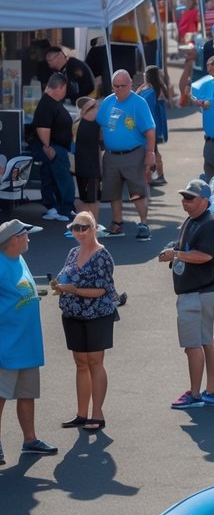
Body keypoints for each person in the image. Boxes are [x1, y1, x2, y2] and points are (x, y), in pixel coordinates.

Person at [158, 179, 214, 410]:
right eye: (184, 197)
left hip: (196, 293)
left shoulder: (209, 224)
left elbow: (205, 255)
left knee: (192, 346)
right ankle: (211, 391)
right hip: (202, 292)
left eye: (190, 198)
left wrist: (176, 254)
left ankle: (195, 395)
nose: (184, 201)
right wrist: (175, 251)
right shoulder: (194, 220)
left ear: (205, 201)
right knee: (206, 341)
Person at [51, 211, 120, 432]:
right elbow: (65, 276)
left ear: (94, 229)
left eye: (84, 227)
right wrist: (59, 286)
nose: (79, 232)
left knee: (95, 362)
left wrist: (75, 289)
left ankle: (97, 414)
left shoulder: (103, 255)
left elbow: (102, 289)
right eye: (75, 228)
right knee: (81, 363)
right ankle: (82, 414)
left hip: (97, 316)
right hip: (73, 316)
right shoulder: (72, 252)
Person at [0, 218, 57, 464]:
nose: (29, 238)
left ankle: (30, 440)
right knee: (0, 395)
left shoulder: (19, 258)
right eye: (26, 234)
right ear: (14, 239)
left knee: (27, 393)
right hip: (7, 346)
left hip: (28, 344)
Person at [96, 70, 156, 240]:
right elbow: (100, 126)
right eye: (116, 86)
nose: (119, 89)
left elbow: (150, 130)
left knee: (137, 191)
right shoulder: (108, 101)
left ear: (130, 84)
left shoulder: (139, 103)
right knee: (113, 192)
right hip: (111, 155)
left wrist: (150, 153)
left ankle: (143, 223)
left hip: (133, 153)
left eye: (123, 86)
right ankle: (117, 223)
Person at [33, 71, 75, 222]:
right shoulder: (47, 103)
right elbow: (42, 127)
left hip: (55, 147)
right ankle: (63, 209)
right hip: (53, 147)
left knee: (53, 179)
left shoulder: (50, 102)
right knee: (63, 180)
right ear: (61, 87)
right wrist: (47, 146)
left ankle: (57, 208)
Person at [137, 65, 171, 186]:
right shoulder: (153, 89)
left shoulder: (153, 90)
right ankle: (156, 174)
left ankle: (158, 174)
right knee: (153, 150)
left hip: (152, 125)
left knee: (153, 150)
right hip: (154, 125)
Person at [73, 95, 103, 228]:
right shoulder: (90, 125)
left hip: (83, 167)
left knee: (85, 199)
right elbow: (102, 144)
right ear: (85, 110)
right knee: (92, 200)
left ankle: (85, 225)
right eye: (94, 106)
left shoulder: (78, 124)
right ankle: (93, 226)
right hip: (90, 168)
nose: (97, 109)